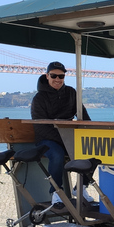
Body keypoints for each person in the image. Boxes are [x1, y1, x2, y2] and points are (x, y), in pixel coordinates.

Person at [31, 61, 92, 205]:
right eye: (54, 76)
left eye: (61, 76)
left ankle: (81, 188)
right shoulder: (39, 98)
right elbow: (40, 127)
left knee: (92, 151)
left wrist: (89, 132)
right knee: (57, 154)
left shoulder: (71, 92)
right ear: (47, 76)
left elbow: (83, 115)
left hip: (69, 137)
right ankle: (56, 193)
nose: (57, 79)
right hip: (46, 139)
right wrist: (63, 139)